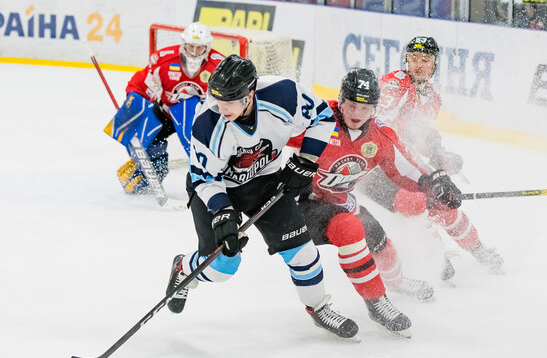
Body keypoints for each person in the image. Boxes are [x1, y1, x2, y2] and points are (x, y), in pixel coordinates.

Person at [166, 55, 359, 340]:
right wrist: (223, 213)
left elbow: (322, 117)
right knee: (222, 268)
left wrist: (306, 161)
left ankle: (319, 307)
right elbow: (205, 179)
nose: (222, 108)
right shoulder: (208, 124)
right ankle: (184, 268)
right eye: (218, 100)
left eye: (230, 101)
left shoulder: (284, 95)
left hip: (264, 182)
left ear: (250, 94)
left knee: (302, 251)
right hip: (217, 190)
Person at [291, 69, 460, 333]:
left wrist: (433, 183)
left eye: (365, 107)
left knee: (377, 238)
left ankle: (396, 280)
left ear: (374, 108)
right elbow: (271, 142)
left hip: (339, 200)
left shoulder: (379, 135)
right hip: (300, 202)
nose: (357, 113)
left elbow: (405, 170)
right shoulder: (317, 121)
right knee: (349, 231)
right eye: (352, 105)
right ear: (341, 101)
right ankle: (374, 302)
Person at [359, 36, 503, 274]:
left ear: (434, 65)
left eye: (425, 59)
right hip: (373, 165)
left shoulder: (432, 98)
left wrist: (438, 153)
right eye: (413, 58)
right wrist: (426, 168)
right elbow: (378, 124)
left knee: (443, 200)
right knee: (417, 205)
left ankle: (477, 249)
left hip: (401, 163)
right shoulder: (397, 83)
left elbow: (416, 132)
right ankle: (434, 258)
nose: (418, 64)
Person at [104, 22, 224, 195]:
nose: (194, 53)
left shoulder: (219, 67)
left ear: (208, 48)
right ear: (183, 44)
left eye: (200, 48)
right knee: (149, 144)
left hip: (199, 120)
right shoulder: (163, 60)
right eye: (191, 47)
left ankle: (211, 183)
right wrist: (133, 107)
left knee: (205, 146)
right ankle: (146, 178)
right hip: (165, 113)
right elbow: (139, 85)